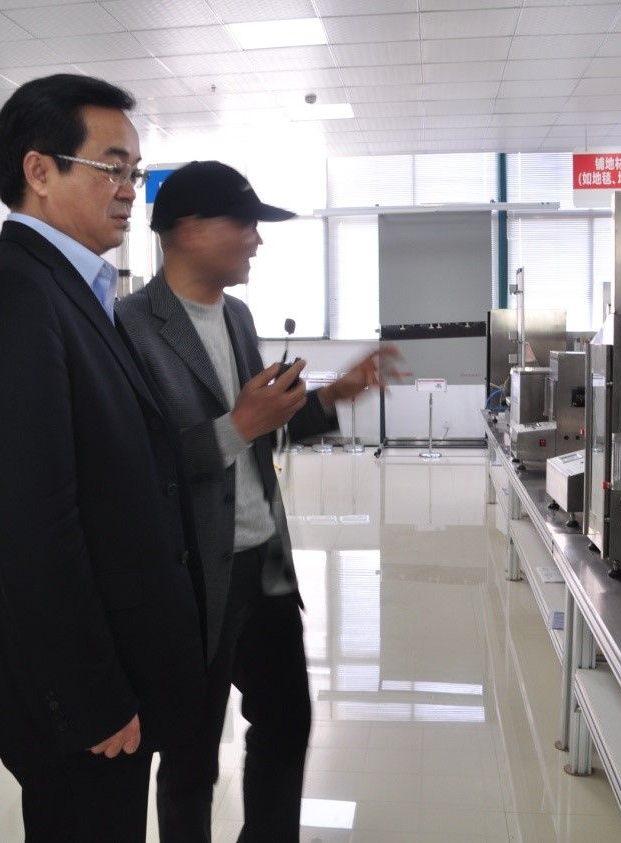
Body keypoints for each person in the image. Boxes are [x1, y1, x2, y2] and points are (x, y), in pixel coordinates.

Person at [0, 75, 206, 840]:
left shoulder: (74, 289)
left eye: (134, 172)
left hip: (118, 662)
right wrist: (91, 695)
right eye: (110, 167)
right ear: (39, 170)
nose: (128, 190)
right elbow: (31, 525)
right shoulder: (10, 297)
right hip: (78, 693)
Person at [116, 160, 396, 842]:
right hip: (191, 574)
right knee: (189, 751)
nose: (256, 240)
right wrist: (237, 424)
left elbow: (261, 429)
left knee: (286, 718)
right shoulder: (128, 327)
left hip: (263, 558)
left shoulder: (236, 316)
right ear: (189, 228)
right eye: (244, 223)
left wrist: (333, 395)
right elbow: (136, 469)